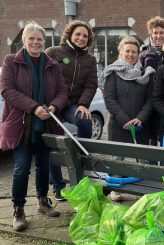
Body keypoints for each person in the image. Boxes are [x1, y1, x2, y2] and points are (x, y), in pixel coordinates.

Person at [0, 22, 68, 231]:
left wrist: (55, 106)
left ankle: (42, 201)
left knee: (44, 166)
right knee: (21, 168)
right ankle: (18, 209)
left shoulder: (52, 65)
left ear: (44, 42)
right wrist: (34, 107)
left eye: (39, 39)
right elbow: (7, 90)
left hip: (46, 124)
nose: (36, 42)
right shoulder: (11, 61)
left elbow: (62, 91)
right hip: (22, 125)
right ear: (24, 40)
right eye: (32, 39)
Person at [45, 20, 98, 201]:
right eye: (78, 34)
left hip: (73, 104)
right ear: (69, 34)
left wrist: (84, 104)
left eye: (85, 36)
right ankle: (58, 186)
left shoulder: (90, 60)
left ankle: (82, 162)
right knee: (54, 142)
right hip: (52, 104)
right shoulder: (53, 52)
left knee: (84, 120)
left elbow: (91, 85)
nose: (81, 38)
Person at [102, 36, 155, 201]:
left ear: (139, 54)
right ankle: (115, 188)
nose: (131, 54)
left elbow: (151, 99)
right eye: (127, 51)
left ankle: (144, 189)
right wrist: (124, 119)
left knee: (143, 160)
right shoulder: (112, 73)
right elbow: (109, 99)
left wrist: (140, 118)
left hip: (140, 125)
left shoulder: (145, 74)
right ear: (121, 52)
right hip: (119, 125)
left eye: (134, 51)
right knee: (117, 159)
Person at [139, 16, 164, 148]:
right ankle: (151, 168)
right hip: (148, 102)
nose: (158, 36)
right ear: (151, 34)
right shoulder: (144, 54)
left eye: (161, 32)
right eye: (155, 33)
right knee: (150, 141)